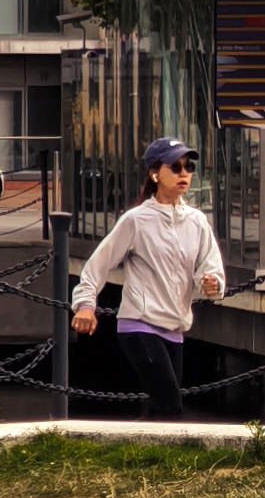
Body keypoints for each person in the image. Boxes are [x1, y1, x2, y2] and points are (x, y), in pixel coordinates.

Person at [72, 138, 226, 418]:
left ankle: (134, 446)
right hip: (139, 325)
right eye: (175, 167)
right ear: (155, 173)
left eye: (189, 167)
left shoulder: (197, 221)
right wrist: (85, 304)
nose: (184, 173)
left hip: (175, 327)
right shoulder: (136, 220)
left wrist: (212, 283)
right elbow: (98, 264)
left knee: (161, 409)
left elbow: (211, 266)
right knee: (170, 405)